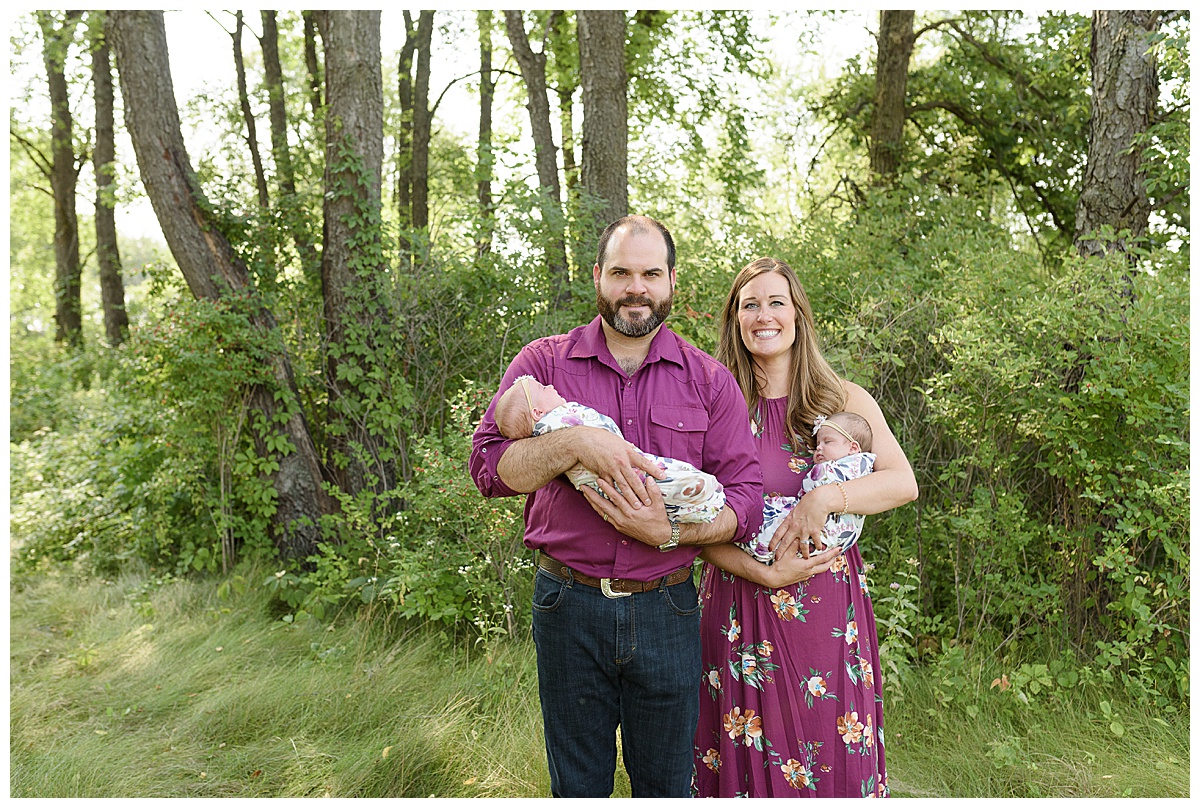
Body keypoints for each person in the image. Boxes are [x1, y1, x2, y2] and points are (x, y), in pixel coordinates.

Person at [471, 217, 830, 798]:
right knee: (577, 787)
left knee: (665, 787)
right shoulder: (543, 365)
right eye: (621, 273)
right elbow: (489, 470)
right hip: (568, 605)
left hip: (667, 610)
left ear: (671, 282)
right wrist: (574, 444)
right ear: (597, 276)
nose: (635, 288)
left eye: (650, 274)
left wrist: (670, 531)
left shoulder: (710, 381)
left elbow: (744, 503)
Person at [692, 257, 919, 798]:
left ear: (798, 314)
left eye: (777, 302)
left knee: (827, 752)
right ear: (734, 319)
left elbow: (902, 483)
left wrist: (824, 498)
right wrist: (761, 573)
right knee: (744, 760)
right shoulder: (713, 404)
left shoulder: (844, 400)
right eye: (750, 305)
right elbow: (693, 522)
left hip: (823, 608)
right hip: (738, 602)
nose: (763, 316)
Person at [493, 374, 727, 523]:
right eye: (543, 388)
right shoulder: (555, 422)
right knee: (652, 480)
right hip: (613, 478)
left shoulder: (710, 376)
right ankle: (699, 491)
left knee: (651, 485)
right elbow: (492, 466)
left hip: (668, 582)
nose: (551, 385)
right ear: (537, 413)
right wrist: (575, 441)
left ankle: (698, 500)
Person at [742, 411, 876, 563]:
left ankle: (750, 537)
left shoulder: (845, 468)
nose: (819, 447)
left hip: (827, 529)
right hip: (831, 541)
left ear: (853, 447)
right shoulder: (865, 468)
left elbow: (816, 482)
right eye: (818, 443)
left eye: (827, 442)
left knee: (773, 526)